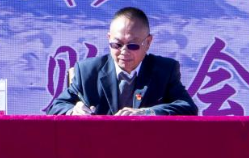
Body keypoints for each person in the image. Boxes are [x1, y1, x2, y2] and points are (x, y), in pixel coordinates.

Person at [46, 7, 198, 116]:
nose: (124, 51)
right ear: (109, 39)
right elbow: (56, 107)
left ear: (148, 42)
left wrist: (147, 113)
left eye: (133, 45)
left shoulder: (164, 70)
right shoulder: (87, 71)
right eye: (117, 44)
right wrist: (73, 111)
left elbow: (188, 108)